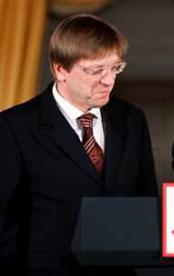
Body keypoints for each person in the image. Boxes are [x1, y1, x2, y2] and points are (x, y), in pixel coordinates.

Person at [0, 14, 157, 275]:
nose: (108, 80)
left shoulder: (132, 119)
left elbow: (145, 202)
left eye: (115, 68)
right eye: (96, 70)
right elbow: (4, 222)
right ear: (61, 70)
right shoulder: (13, 127)